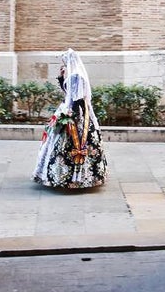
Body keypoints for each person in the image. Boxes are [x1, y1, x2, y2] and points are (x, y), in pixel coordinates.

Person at [33, 48, 108, 189]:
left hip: (74, 114)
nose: (64, 64)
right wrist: (62, 77)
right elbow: (68, 93)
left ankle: (75, 178)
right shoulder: (72, 75)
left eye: (64, 62)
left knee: (68, 144)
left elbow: (78, 99)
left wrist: (69, 115)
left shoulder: (76, 76)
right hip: (69, 110)